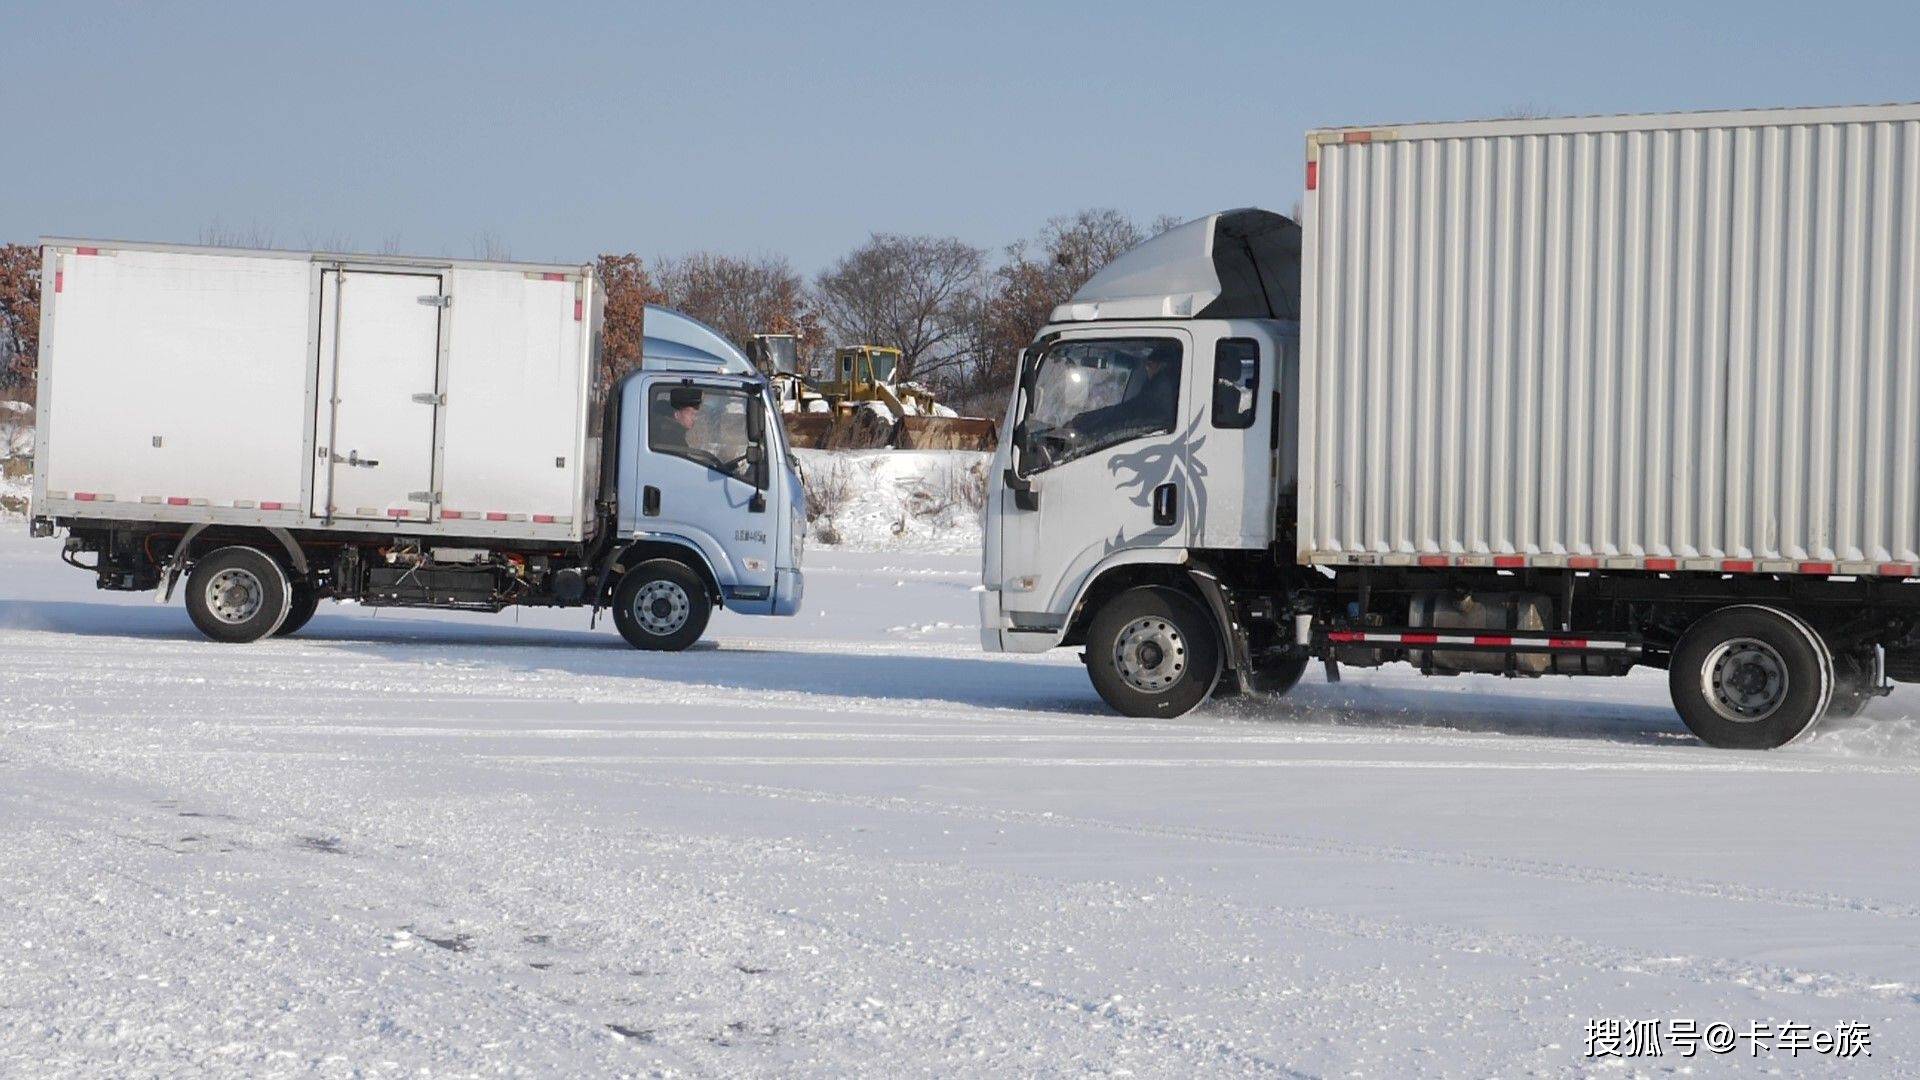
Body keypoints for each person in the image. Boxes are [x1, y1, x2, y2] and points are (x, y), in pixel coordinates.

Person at [653, 387, 701, 453]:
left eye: (695, 415)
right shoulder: (672, 438)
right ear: (677, 415)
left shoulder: (675, 434)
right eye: (691, 414)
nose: (695, 418)